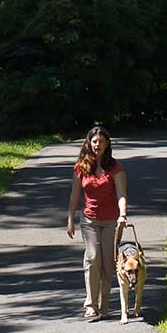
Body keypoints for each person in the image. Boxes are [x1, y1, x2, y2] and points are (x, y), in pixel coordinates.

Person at [67, 126, 127, 319]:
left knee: (108, 263)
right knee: (93, 258)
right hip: (89, 220)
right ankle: (91, 304)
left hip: (111, 221)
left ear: (107, 144)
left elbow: (121, 195)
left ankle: (104, 305)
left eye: (101, 141)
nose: (97, 145)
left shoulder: (115, 168)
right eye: (94, 141)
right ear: (89, 143)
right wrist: (70, 220)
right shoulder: (81, 167)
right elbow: (75, 195)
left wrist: (122, 215)